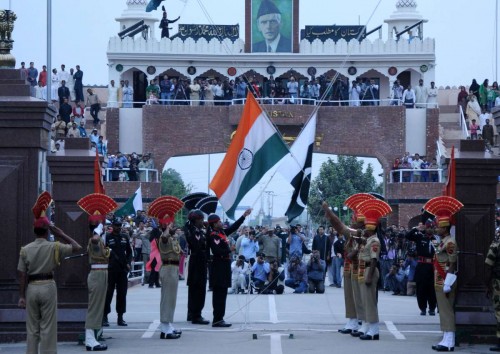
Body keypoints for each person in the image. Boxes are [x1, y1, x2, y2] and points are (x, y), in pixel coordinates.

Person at [17, 192, 82, 354]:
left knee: (32, 328)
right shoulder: (54, 246)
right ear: (47, 231)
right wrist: (60, 233)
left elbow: (22, 275)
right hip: (48, 287)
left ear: (34, 230)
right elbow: (77, 247)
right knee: (48, 327)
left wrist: (22, 296)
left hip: (31, 288)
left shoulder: (25, 250)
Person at [78, 193, 118, 351]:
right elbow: (94, 240)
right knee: (94, 307)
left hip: (102, 273)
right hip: (97, 274)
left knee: (99, 306)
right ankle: (89, 339)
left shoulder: (100, 240)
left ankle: (93, 337)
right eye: (101, 224)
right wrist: (99, 231)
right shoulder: (94, 239)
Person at [423, 196, 464, 352]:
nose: (436, 228)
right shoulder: (443, 241)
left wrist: (448, 281)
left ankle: (449, 341)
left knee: (447, 310)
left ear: (445, 228)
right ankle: (446, 338)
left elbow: (453, 262)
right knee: (443, 310)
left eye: (438, 226)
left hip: (446, 279)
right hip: (440, 279)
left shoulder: (450, 242)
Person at [207, 208, 252, 327]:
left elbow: (234, 227)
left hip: (224, 265)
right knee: (218, 293)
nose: (221, 223)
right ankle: (217, 319)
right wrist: (229, 249)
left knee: (223, 292)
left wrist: (244, 216)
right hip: (218, 266)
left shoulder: (221, 233)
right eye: (219, 221)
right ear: (214, 224)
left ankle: (220, 317)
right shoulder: (213, 235)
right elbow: (217, 251)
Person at [102, 217, 133, 327]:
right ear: (112, 226)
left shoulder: (124, 237)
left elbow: (129, 252)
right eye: (116, 225)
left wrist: (128, 263)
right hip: (111, 269)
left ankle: (120, 317)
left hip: (122, 269)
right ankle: (105, 317)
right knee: (108, 294)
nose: (118, 227)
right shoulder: (107, 237)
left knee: (122, 294)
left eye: (119, 225)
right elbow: (103, 252)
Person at [405, 219, 437, 316]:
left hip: (432, 266)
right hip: (422, 265)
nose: (430, 229)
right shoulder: (420, 236)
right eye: (428, 227)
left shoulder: (436, 238)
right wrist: (416, 228)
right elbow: (408, 236)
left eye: (432, 227)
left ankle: (432, 308)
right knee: (421, 288)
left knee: (432, 288)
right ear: (425, 227)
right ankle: (422, 308)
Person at [184, 209, 210, 324]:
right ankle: (196, 315)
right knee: (199, 289)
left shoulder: (193, 230)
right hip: (198, 261)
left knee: (193, 288)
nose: (203, 221)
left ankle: (191, 313)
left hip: (196, 261)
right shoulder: (196, 232)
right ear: (197, 220)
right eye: (201, 219)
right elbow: (199, 246)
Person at [485, 228, 500, 352]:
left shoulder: (497, 242)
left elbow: (489, 264)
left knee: (499, 311)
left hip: (498, 282)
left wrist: (487, 284)